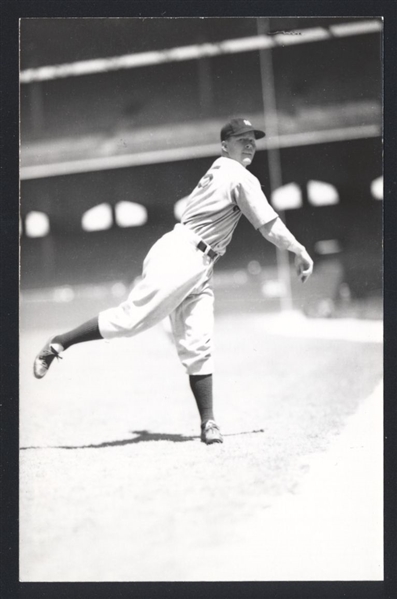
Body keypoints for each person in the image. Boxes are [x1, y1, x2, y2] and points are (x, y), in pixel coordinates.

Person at [33, 118, 314, 445]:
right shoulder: (238, 175)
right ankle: (58, 343)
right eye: (242, 139)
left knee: (199, 343)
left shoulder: (221, 169)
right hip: (183, 255)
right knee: (130, 321)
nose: (250, 144)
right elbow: (268, 225)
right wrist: (300, 249)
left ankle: (208, 423)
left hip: (198, 260)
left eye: (253, 139)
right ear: (225, 145)